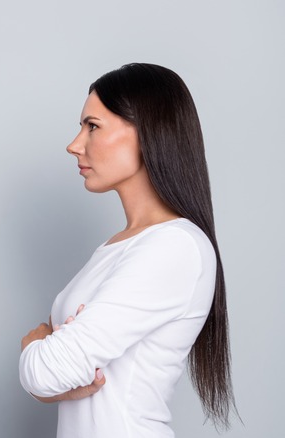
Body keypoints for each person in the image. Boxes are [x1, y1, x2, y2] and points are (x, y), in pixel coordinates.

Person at [19, 63, 235, 437]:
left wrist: (36, 346)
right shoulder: (117, 248)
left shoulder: (176, 247)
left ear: (146, 134)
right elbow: (49, 379)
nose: (75, 145)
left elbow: (47, 370)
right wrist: (47, 374)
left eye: (93, 126)